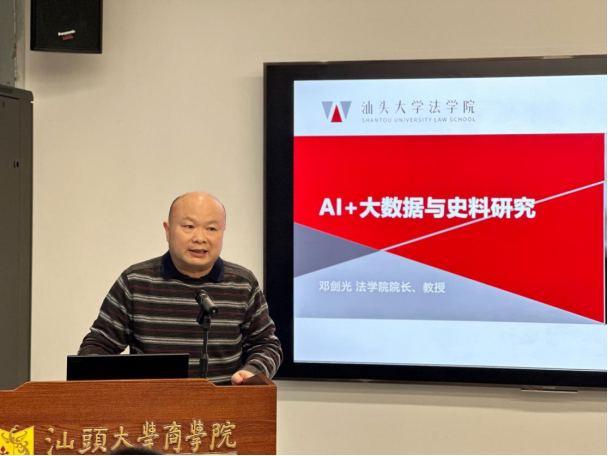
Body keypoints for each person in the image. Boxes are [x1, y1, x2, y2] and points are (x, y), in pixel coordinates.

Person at [78, 192, 283, 385]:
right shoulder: (135, 282)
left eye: (211, 229)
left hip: (224, 408)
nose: (200, 238)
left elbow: (266, 345)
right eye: (189, 226)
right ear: (168, 231)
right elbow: (98, 345)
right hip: (153, 408)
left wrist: (252, 371)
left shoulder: (242, 284)